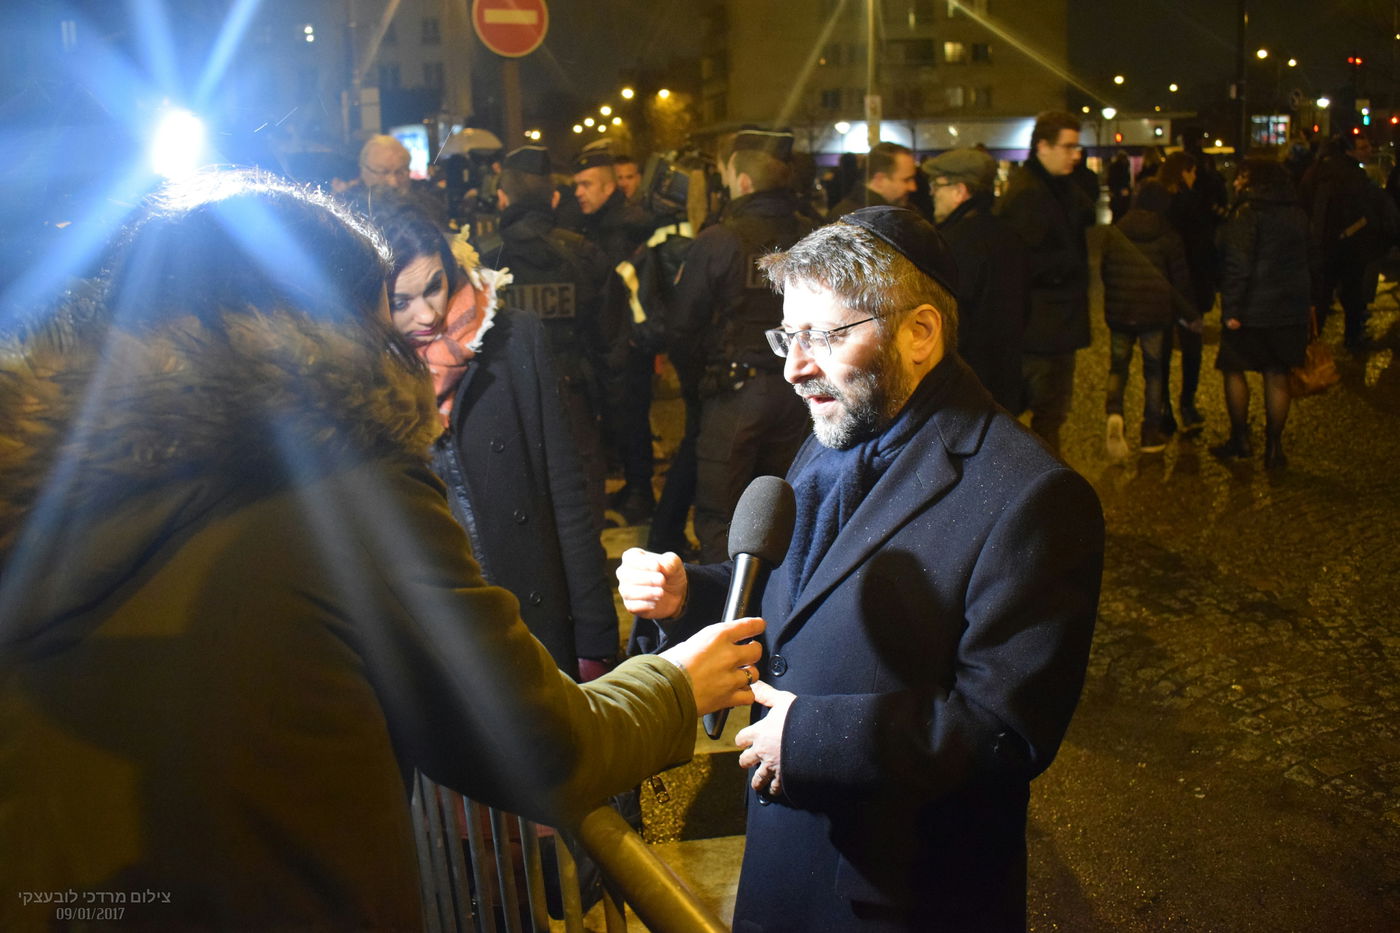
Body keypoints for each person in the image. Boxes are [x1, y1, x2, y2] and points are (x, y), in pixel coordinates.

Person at [0, 171, 763, 932]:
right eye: (384, 317)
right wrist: (672, 684)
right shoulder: (344, 478)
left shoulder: (52, 478)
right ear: (336, 328)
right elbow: (534, 741)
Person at [619, 206, 1104, 932]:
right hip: (785, 875)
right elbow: (797, 591)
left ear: (920, 333)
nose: (793, 365)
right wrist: (690, 593)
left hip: (902, 898)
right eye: (789, 333)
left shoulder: (1032, 496)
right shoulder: (839, 427)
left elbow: (1005, 732)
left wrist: (813, 735)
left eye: (826, 333)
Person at [369, 189, 621, 680]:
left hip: (530, 615)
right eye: (401, 302)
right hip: (432, 638)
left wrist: (594, 633)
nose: (426, 315)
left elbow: (566, 489)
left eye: (435, 287)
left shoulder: (512, 336)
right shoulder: (360, 379)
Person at [664, 127, 816, 563]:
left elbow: (681, 327)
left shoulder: (720, 239)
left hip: (735, 394)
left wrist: (699, 384)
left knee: (722, 518)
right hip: (798, 393)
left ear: (744, 181)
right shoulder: (812, 235)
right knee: (787, 510)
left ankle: (726, 618)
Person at [472, 145, 632, 531]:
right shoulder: (583, 254)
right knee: (581, 512)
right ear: (554, 198)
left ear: (502, 198)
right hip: (573, 402)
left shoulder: (480, 259)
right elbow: (612, 344)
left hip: (502, 405)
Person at [995, 111, 1096, 454]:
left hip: (1053, 325)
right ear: (1042, 147)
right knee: (1044, 415)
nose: (1076, 154)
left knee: (1050, 415)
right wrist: (1066, 267)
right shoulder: (1030, 195)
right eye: (1068, 146)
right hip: (1042, 328)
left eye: (1077, 147)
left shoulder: (1055, 188)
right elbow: (1020, 263)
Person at [568, 147, 659, 526]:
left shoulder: (624, 227)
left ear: (608, 187)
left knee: (630, 417)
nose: (579, 192)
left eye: (586, 184)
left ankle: (641, 493)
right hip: (615, 338)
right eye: (576, 185)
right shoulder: (603, 223)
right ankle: (635, 488)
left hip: (628, 340)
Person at [1212, 158, 1317, 469]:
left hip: (1251, 310)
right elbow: (1313, 259)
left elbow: (1238, 263)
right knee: (1277, 374)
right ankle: (1274, 449)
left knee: (1234, 369)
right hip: (1289, 309)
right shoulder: (1296, 212)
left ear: (1252, 179)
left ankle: (1240, 440)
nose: (1235, 183)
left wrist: (1231, 308)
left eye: (1240, 177)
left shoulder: (1248, 212)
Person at [1098, 179, 1197, 459]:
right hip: (1154, 316)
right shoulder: (1167, 235)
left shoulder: (1116, 231)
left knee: (1118, 367)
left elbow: (1105, 272)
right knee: (1154, 372)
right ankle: (1150, 432)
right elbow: (1179, 280)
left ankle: (1115, 414)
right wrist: (1189, 315)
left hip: (1120, 314)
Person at [926, 147, 1029, 410]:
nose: (932, 193)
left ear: (960, 191)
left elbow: (951, 322)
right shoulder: (1008, 235)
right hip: (1004, 378)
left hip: (965, 387)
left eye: (938, 185)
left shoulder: (951, 244)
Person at [1300, 132, 1389, 352]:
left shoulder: (1317, 171)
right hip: (1346, 245)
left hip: (1324, 244)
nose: (1368, 151)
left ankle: (1312, 340)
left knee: (1321, 296)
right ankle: (1352, 337)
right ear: (1349, 151)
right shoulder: (1349, 175)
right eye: (1363, 147)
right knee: (1351, 293)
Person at [1158, 150, 1217, 435]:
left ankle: (1164, 408)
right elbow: (1203, 253)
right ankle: (1187, 405)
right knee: (1192, 351)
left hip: (1161, 289)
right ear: (1185, 172)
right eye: (1192, 172)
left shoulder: (1158, 202)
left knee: (1162, 353)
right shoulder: (1192, 205)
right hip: (1189, 287)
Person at [827, 140, 918, 218]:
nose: (913, 187)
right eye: (906, 180)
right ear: (879, 180)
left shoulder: (899, 212)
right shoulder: (853, 221)